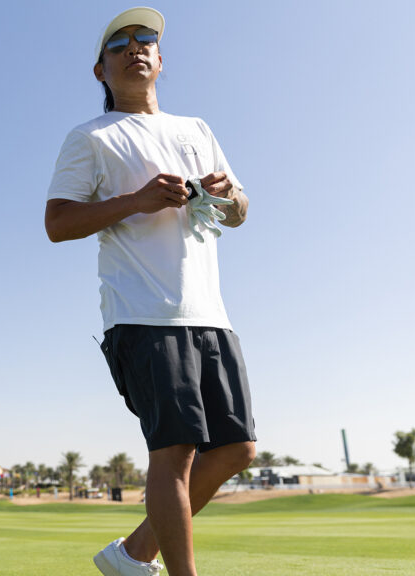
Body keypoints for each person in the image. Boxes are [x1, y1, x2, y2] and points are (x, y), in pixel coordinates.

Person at [43, 7, 256, 576]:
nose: (135, 47)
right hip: (143, 313)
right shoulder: (91, 137)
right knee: (176, 452)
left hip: (210, 313)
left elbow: (240, 211)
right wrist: (136, 201)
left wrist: (227, 194)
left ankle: (133, 554)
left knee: (237, 449)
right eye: (119, 44)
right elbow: (57, 222)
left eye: (145, 40)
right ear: (101, 70)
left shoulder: (197, 129)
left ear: (161, 60)